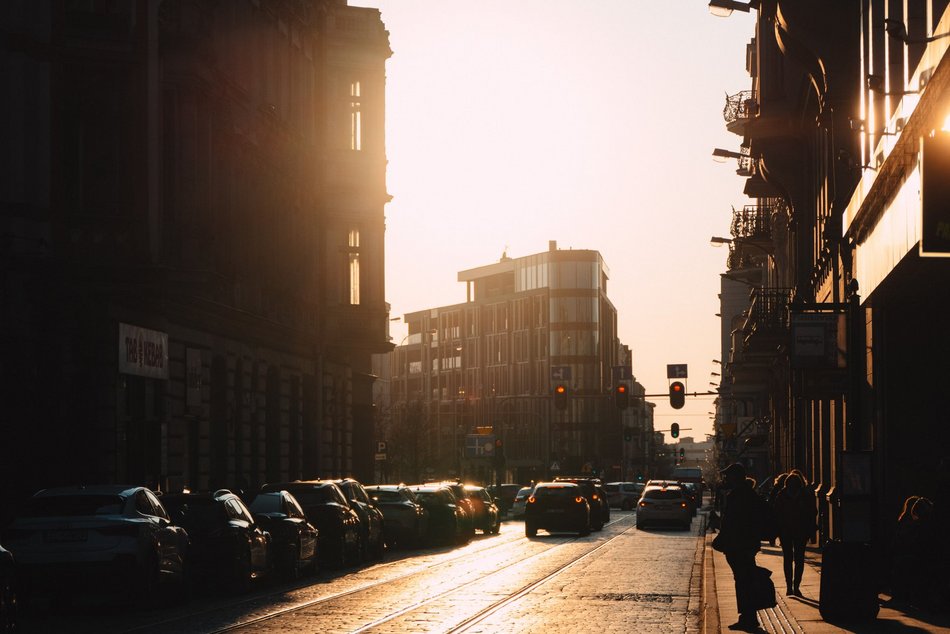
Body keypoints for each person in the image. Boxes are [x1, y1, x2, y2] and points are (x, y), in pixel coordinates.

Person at [715, 463, 763, 631]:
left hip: (741, 546)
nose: (726, 479)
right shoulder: (744, 494)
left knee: (744, 582)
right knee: (744, 581)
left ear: (736, 477)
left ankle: (748, 618)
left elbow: (737, 523)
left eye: (728, 476)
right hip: (742, 545)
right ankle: (748, 617)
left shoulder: (740, 495)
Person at [773, 471, 817, 596]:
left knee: (789, 559)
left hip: (789, 531)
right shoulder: (804, 495)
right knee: (798, 559)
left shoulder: (782, 495)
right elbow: (813, 512)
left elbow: (776, 513)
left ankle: (791, 587)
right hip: (797, 531)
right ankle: (794, 586)